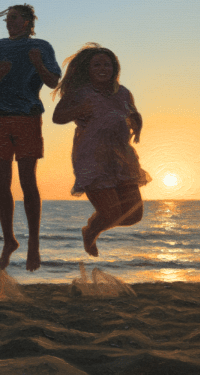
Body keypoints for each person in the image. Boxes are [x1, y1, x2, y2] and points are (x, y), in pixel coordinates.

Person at [0, 4, 61, 271]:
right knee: (2, 183)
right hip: (0, 117)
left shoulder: (42, 46)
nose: (9, 22)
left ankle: (34, 244)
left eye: (13, 18)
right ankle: (9, 241)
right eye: (7, 19)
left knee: (28, 181)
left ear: (26, 21)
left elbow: (52, 83)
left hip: (28, 116)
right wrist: (0, 72)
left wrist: (37, 63)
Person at [52, 43, 150, 257]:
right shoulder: (79, 92)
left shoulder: (123, 93)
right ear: (88, 68)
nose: (103, 68)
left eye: (107, 64)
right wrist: (79, 109)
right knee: (111, 213)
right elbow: (57, 117)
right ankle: (91, 232)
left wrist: (137, 120)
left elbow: (131, 113)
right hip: (92, 158)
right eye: (97, 64)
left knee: (134, 215)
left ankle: (93, 228)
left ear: (115, 68)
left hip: (122, 158)